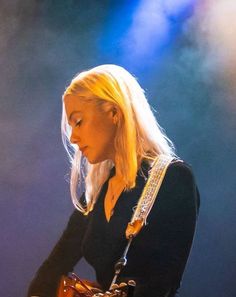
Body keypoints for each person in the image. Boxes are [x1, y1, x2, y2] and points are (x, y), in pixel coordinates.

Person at [27, 64, 200, 297]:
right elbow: (53, 268)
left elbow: (163, 285)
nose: (73, 137)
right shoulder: (95, 194)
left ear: (114, 113)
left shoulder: (173, 179)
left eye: (78, 122)